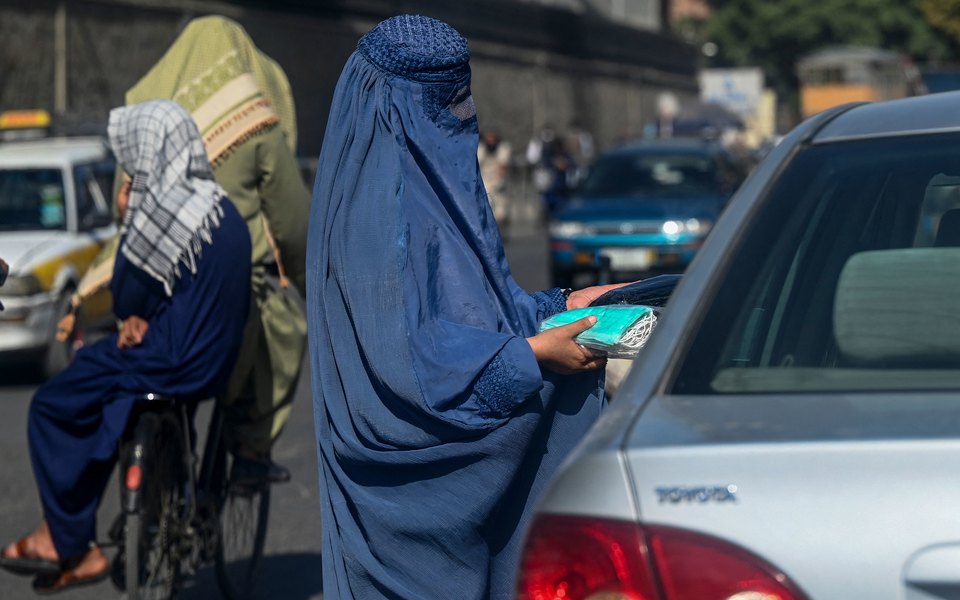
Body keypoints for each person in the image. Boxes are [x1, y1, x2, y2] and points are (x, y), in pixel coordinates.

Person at [307, 15, 629, 599]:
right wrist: (532, 357)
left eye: (464, 97)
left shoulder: (433, 188)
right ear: (397, 105)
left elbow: (478, 316)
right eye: (445, 101)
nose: (462, 118)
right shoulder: (374, 221)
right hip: (399, 521)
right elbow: (411, 374)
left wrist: (560, 306)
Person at [0, 100, 251, 593]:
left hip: (167, 358)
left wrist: (125, 218)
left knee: (52, 405)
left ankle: (66, 538)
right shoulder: (220, 208)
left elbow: (127, 295)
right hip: (215, 362)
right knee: (111, 396)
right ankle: (70, 531)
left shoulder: (158, 211)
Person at [61, 16, 310, 482]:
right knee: (284, 329)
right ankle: (251, 450)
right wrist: (304, 279)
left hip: (149, 285)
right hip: (228, 296)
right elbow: (293, 224)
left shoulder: (150, 119)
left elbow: (125, 209)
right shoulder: (254, 123)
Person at [477, 129, 512, 237]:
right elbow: (478, 163)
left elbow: (503, 166)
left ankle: (501, 230)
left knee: (501, 208)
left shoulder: (503, 148)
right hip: (485, 178)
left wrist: (499, 180)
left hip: (498, 179)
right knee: (487, 205)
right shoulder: (481, 148)